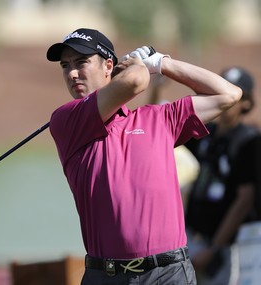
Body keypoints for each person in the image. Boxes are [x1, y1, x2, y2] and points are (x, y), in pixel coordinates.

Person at [46, 28, 242, 285]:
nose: (71, 73)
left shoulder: (158, 119)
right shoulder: (66, 120)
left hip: (169, 274)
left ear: (108, 66)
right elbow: (135, 81)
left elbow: (228, 94)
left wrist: (163, 63)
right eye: (65, 65)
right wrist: (139, 66)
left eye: (81, 62)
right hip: (105, 276)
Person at [184, 67, 261, 284]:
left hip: (226, 247)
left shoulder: (249, 141)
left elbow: (245, 199)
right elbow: (162, 128)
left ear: (246, 102)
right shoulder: (207, 132)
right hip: (193, 237)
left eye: (234, 92)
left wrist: (214, 248)